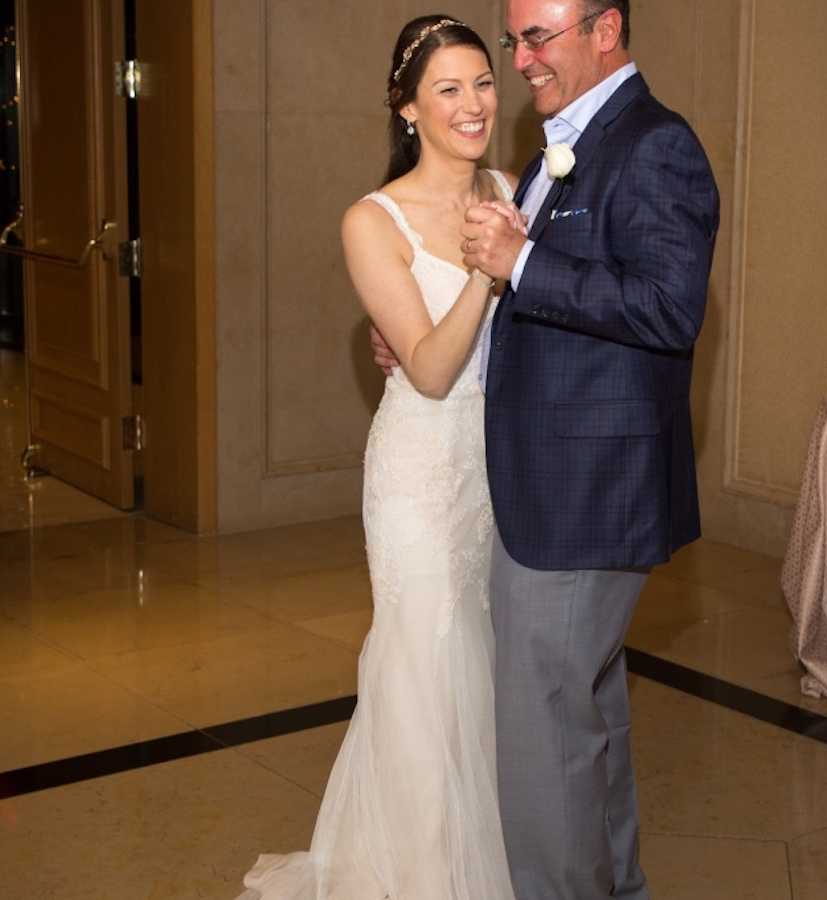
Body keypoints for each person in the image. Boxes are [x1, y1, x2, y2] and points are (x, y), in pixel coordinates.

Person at [373, 2, 720, 898]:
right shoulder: (553, 151)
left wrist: (524, 265)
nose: (520, 62)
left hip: (584, 491)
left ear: (605, 29)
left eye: (536, 38)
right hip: (542, 484)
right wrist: (418, 337)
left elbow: (667, 309)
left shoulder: (653, 145)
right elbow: (530, 316)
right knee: (584, 721)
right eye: (513, 41)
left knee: (543, 740)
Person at [238, 16, 523, 900]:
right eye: (448, 88)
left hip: (499, 471)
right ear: (407, 107)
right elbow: (432, 369)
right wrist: (487, 264)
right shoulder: (373, 220)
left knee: (480, 670)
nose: (473, 104)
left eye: (483, 82)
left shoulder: (515, 185)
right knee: (424, 663)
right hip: (420, 474)